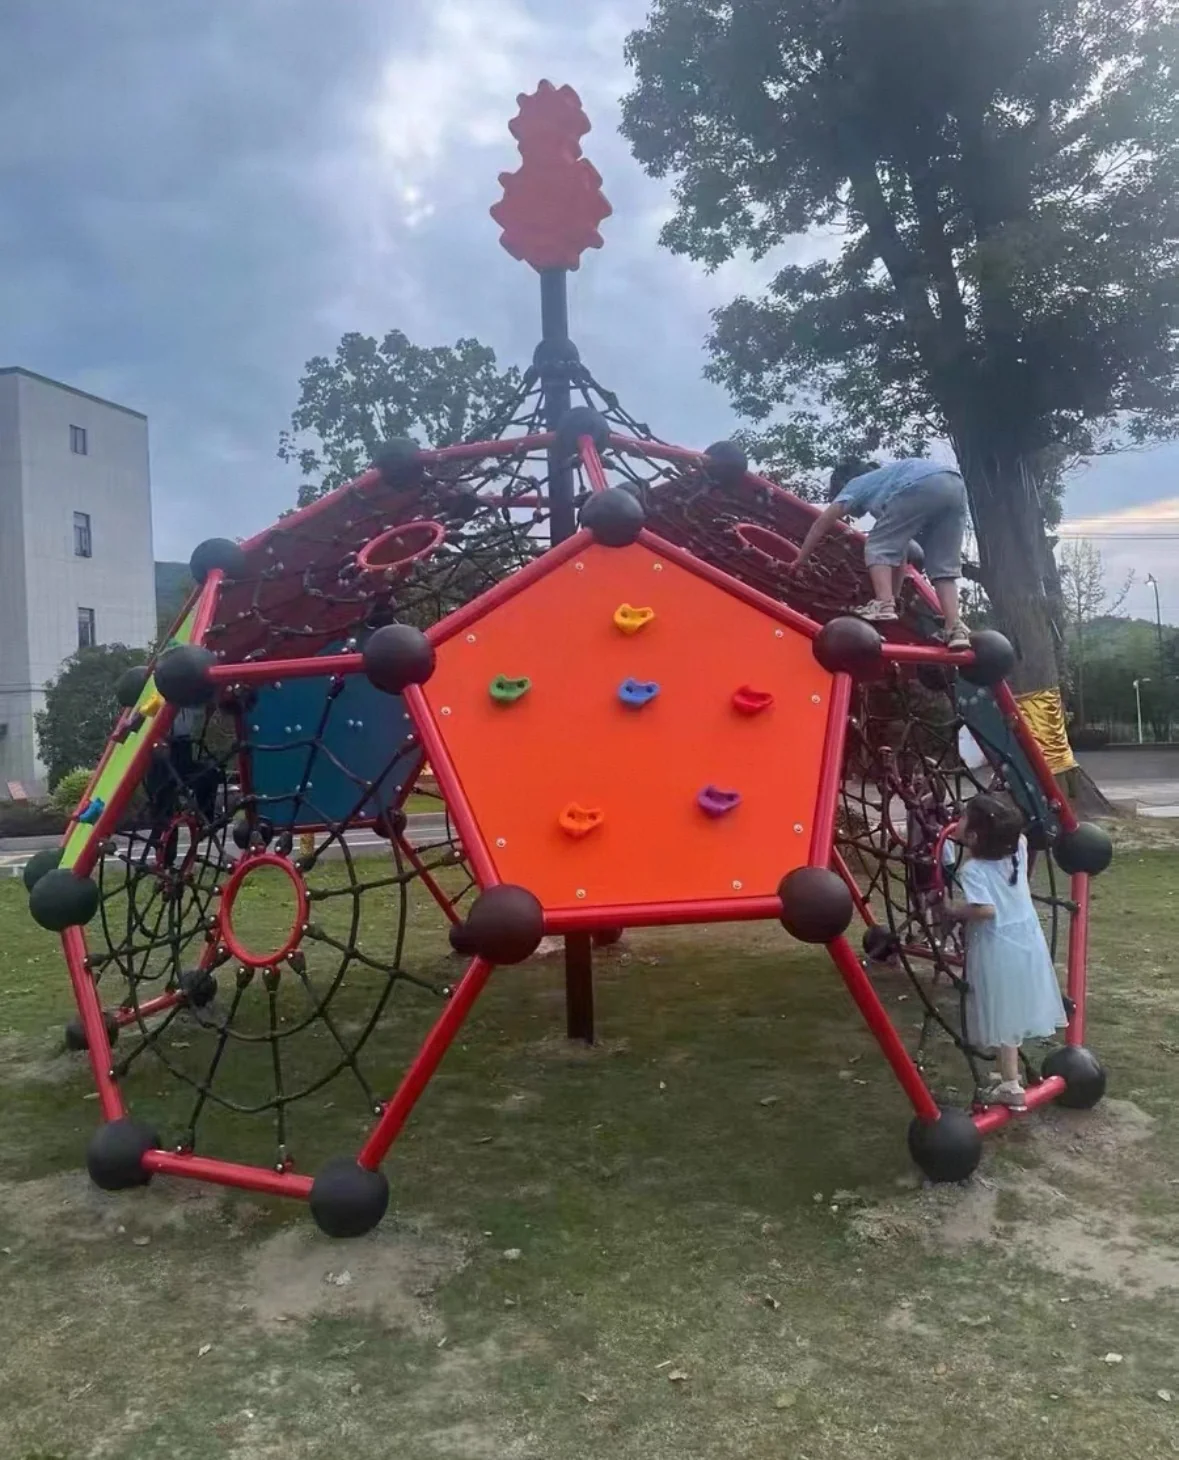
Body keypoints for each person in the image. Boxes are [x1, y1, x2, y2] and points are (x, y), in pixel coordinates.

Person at [941, 794, 1068, 1109]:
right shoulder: (1019, 848)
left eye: (965, 817)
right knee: (1010, 1006)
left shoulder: (974, 870)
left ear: (973, 836)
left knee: (1003, 1010)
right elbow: (1015, 836)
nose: (959, 817)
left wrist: (952, 908)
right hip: (1026, 937)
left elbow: (985, 910)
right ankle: (1004, 1070)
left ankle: (1012, 1086)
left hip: (998, 945)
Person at [791, 458, 971, 648]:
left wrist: (800, 560)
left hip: (922, 483)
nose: (850, 514)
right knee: (943, 566)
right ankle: (954, 628)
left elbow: (821, 524)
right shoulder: (887, 483)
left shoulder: (855, 484)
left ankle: (882, 602)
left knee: (877, 545)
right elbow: (898, 552)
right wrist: (895, 597)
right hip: (956, 486)